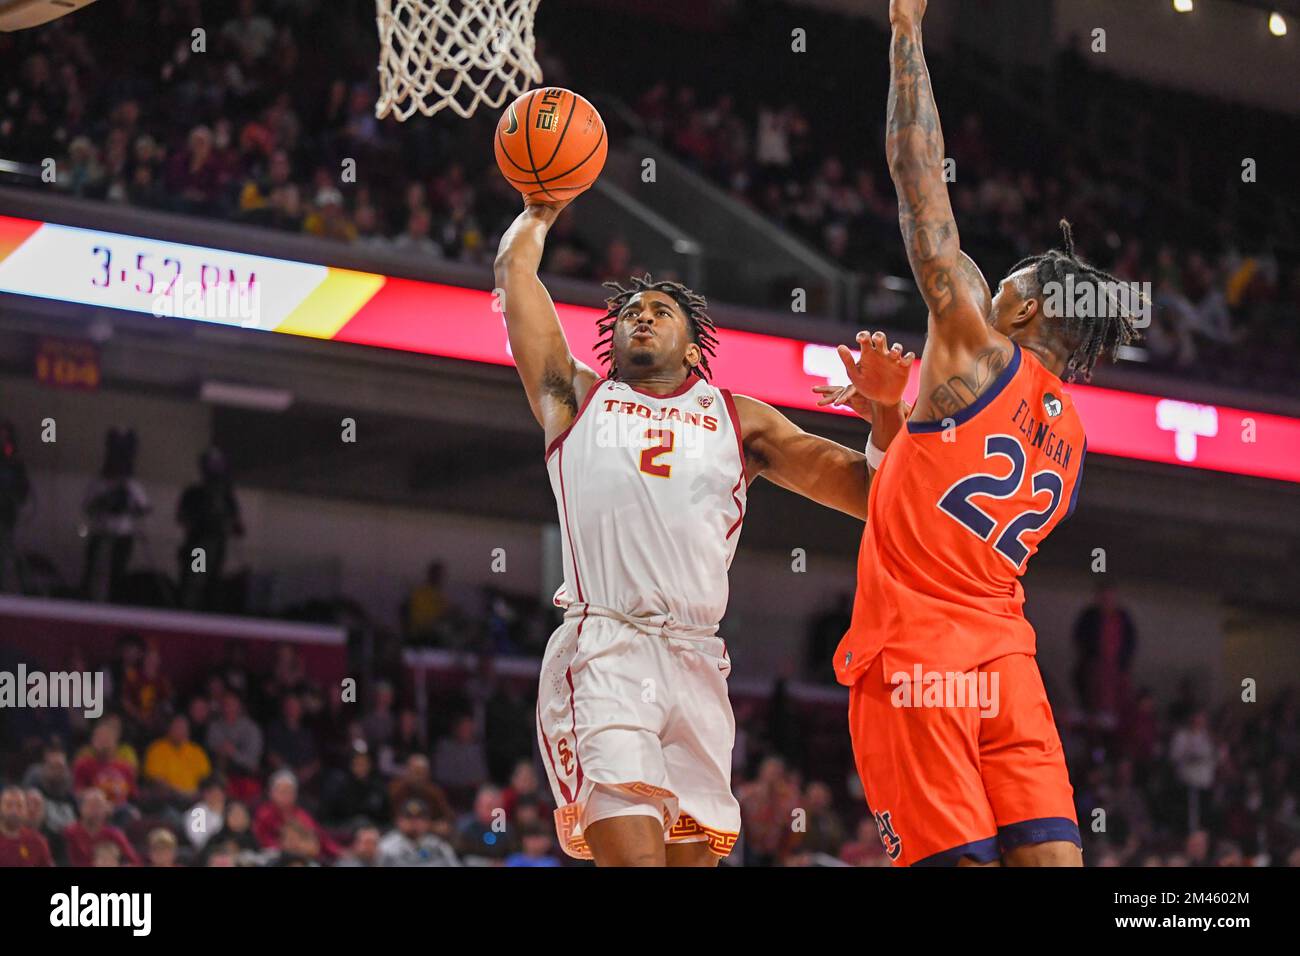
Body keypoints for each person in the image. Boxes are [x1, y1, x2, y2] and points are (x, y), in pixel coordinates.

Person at [494, 182, 908, 867]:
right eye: (630, 312)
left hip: (696, 662)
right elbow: (515, 276)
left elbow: (873, 496)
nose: (642, 317)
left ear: (694, 349)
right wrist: (539, 211)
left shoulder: (738, 418)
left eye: (659, 310)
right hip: (608, 651)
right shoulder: (575, 397)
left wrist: (887, 418)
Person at [831, 0, 1140, 868]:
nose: (988, 278)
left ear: (1030, 306)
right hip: (1008, 667)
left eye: (1007, 276)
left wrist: (905, 34)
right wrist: (892, 419)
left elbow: (917, 177)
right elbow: (936, 494)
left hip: (919, 658)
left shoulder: (973, 344)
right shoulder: (1074, 441)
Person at [80, 426, 150, 602]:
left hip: (123, 537)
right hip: (101, 534)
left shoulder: (133, 486)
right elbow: (88, 508)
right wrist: (105, 501)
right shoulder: (98, 483)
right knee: (94, 573)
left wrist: (128, 506)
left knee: (117, 574)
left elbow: (145, 508)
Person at [176, 447, 243, 610]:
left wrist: (230, 525)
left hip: (218, 544)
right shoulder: (194, 493)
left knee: (213, 580)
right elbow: (183, 518)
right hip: (199, 545)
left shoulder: (227, 496)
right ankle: (189, 610)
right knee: (196, 579)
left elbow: (236, 523)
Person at [0, 420, 31, 593]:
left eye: (4, 434)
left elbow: (23, 490)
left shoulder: (15, 463)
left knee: (5, 555)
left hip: (6, 517)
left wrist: (14, 500)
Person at [0, 787, 53, 866]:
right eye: (8, 805)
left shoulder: (37, 841)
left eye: (19, 806)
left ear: (25, 809)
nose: (14, 811)